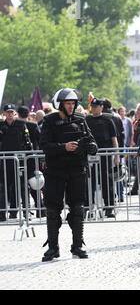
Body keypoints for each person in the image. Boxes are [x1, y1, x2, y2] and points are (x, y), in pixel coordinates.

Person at [40, 88, 98, 261]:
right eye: (68, 103)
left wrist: (91, 147)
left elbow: (92, 142)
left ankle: (77, 246)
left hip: (77, 170)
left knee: (78, 209)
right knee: (52, 211)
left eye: (73, 103)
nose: (71, 106)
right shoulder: (49, 121)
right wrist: (63, 147)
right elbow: (44, 145)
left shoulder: (81, 120)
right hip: (55, 171)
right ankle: (53, 248)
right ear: (60, 104)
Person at [85, 98, 119, 218]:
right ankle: (88, 207)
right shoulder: (87, 120)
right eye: (92, 107)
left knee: (107, 181)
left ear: (101, 107)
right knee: (90, 182)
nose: (93, 109)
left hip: (105, 156)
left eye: (95, 106)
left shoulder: (108, 119)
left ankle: (109, 207)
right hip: (90, 156)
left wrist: (116, 155)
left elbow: (114, 138)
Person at [0, 104, 35, 221]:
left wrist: (29, 157)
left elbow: (27, 141)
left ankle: (25, 212)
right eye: (7, 112)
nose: (9, 114)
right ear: (4, 113)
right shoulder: (1, 126)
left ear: (14, 113)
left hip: (19, 161)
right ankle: (3, 213)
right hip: (4, 161)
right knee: (4, 187)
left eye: (11, 112)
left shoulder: (21, 124)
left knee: (23, 186)